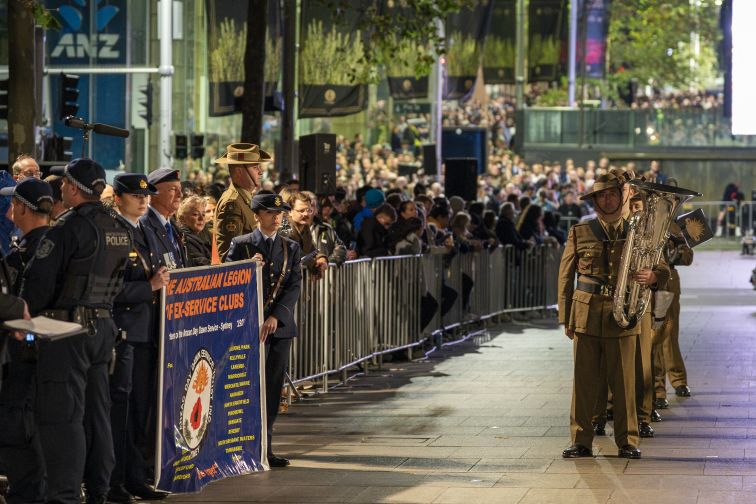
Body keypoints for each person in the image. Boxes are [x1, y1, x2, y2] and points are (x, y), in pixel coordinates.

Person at [20, 158, 133, 503]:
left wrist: (25, 315)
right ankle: (100, 488)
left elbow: (38, 282)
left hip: (67, 332)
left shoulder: (66, 228)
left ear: (71, 187)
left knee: (64, 418)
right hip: (103, 330)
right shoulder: (118, 226)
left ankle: (66, 495)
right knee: (98, 416)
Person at [558, 173, 669, 460]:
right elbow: (565, 277)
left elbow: (663, 267)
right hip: (586, 312)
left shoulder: (639, 231)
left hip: (624, 315)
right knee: (583, 382)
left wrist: (654, 275)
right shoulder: (580, 231)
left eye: (612, 194)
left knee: (625, 384)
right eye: (601, 195)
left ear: (621, 197)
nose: (607, 199)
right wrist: (565, 316)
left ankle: (628, 440)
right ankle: (581, 440)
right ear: (594, 201)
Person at [225, 192, 302, 468]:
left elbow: (294, 285)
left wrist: (276, 317)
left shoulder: (290, 247)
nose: (276, 217)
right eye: (270, 212)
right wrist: (247, 269)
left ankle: (265, 447)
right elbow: (228, 281)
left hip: (278, 330)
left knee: (271, 389)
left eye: (279, 213)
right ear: (257, 215)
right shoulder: (241, 244)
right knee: (246, 388)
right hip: (250, 328)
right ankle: (243, 447)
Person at [108, 174, 170, 503]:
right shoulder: (114, 232)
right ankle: (114, 480)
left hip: (145, 331)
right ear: (118, 198)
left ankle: (134, 476)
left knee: (139, 410)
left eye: (146, 196)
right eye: (135, 195)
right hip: (123, 330)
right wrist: (149, 287)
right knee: (122, 412)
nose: (143, 200)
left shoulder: (143, 230)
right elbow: (110, 287)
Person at [0, 180, 48, 504]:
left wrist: (22, 324)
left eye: (12, 204)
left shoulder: (37, 251)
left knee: (20, 427)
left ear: (22, 209)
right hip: (29, 349)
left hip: (25, 353)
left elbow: (30, 305)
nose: (6, 211)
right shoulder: (46, 245)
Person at [654, 222, 694, 408]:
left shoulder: (673, 227)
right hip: (648, 283)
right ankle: (657, 388)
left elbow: (688, 259)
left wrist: (678, 244)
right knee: (653, 338)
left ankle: (678, 379)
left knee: (670, 334)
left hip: (669, 282)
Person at [214, 143, 270, 260]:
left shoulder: (245, 198)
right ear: (239, 171)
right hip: (245, 275)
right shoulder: (232, 203)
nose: (260, 172)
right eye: (255, 167)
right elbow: (228, 255)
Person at [141, 168, 188, 270]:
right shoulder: (143, 225)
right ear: (154, 194)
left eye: (180, 189)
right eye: (172, 189)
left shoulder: (172, 226)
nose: (180, 194)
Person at [285, 191, 328, 278]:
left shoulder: (305, 227)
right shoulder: (284, 227)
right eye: (301, 211)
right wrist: (314, 265)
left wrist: (322, 258)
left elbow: (312, 250)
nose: (306, 214)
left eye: (308, 210)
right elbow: (295, 253)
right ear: (289, 211)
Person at [177, 195, 212, 266]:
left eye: (203, 214)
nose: (201, 218)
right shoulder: (186, 240)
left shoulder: (202, 236)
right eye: (195, 214)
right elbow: (204, 266)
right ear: (182, 219)